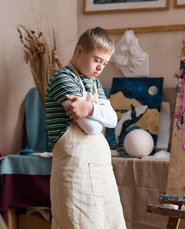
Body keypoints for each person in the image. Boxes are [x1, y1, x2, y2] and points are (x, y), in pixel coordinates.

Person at [45, 27, 126, 229]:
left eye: (105, 63)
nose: (100, 68)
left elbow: (113, 119)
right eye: (97, 59)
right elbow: (91, 128)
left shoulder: (94, 83)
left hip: (101, 172)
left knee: (109, 222)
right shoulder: (62, 79)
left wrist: (88, 107)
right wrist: (97, 112)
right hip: (75, 172)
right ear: (79, 51)